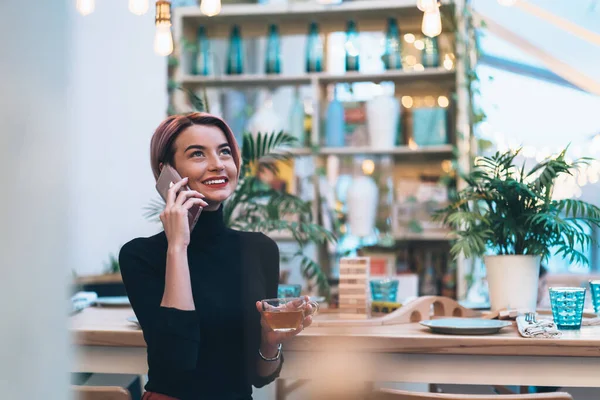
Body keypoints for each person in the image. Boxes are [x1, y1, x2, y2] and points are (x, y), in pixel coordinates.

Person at [119, 112, 313, 400]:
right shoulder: (140, 256)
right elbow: (176, 363)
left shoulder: (259, 249)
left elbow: (258, 377)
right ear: (166, 171)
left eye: (224, 152)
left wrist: (271, 342)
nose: (218, 164)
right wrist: (177, 247)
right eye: (198, 154)